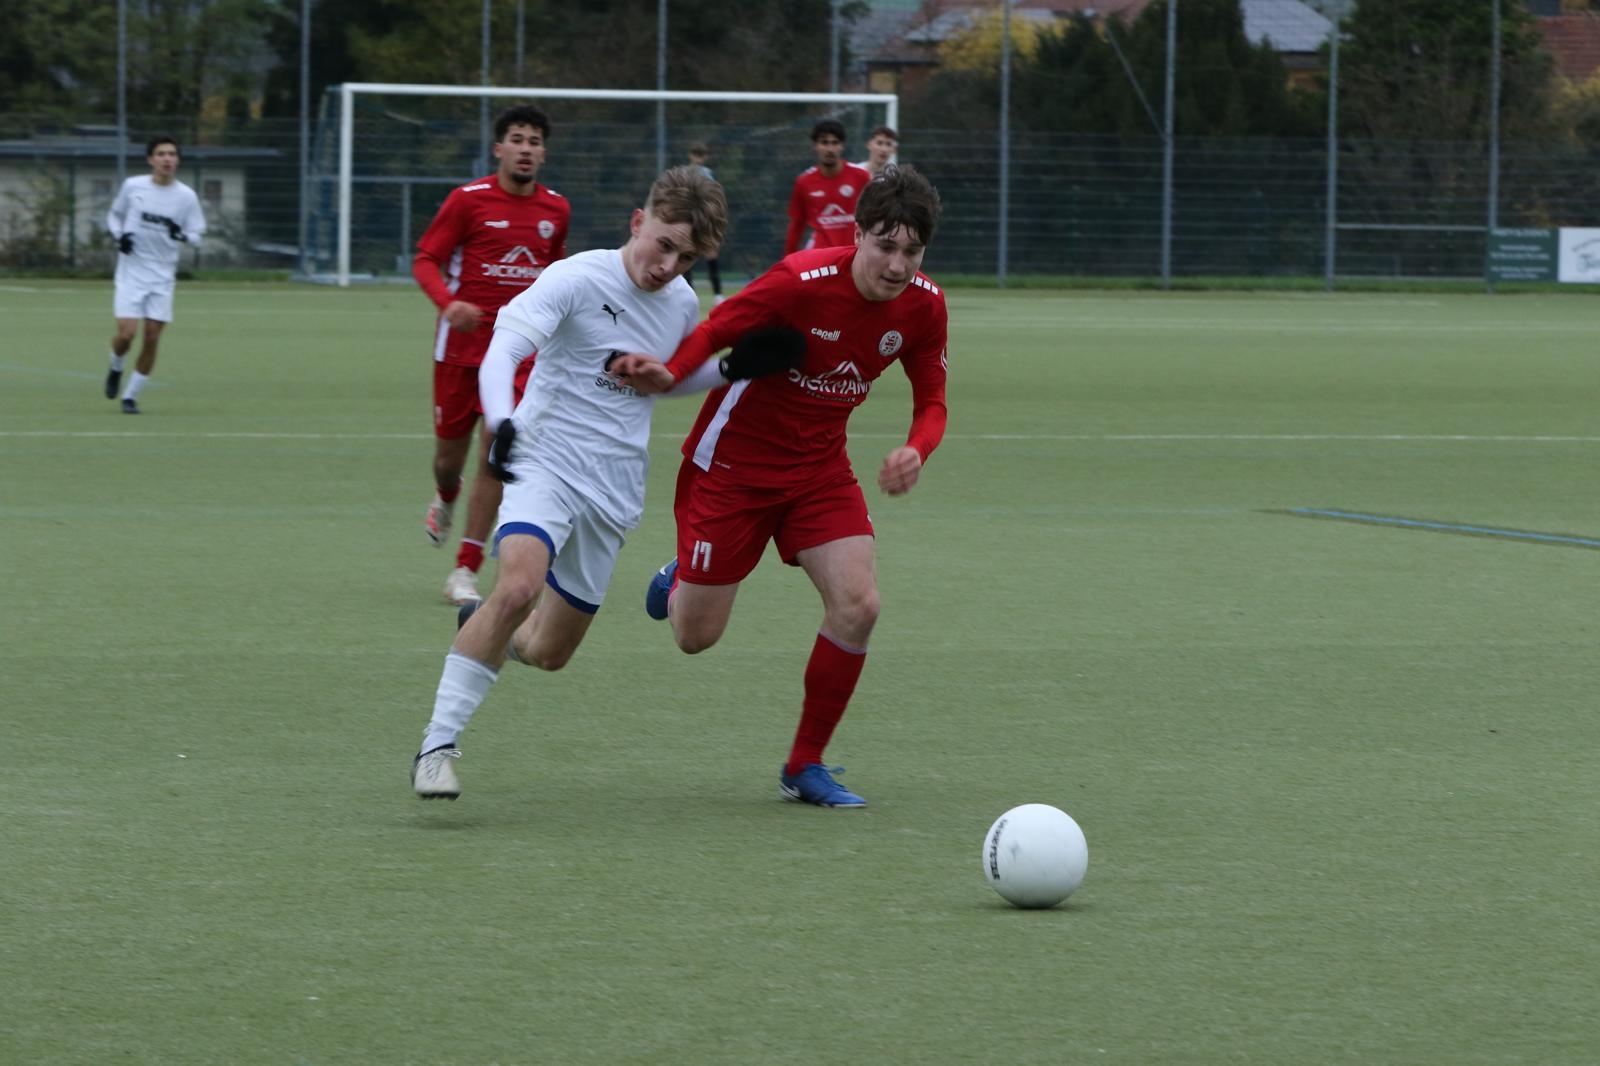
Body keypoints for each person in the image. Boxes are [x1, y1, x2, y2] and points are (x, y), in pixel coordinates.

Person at [410, 166, 800, 801]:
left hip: (613, 488)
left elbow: (666, 382)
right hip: (544, 460)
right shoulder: (575, 277)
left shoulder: (681, 303)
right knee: (518, 586)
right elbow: (504, 349)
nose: (668, 267)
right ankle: (436, 746)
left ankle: (486, 626)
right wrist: (502, 422)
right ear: (638, 222)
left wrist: (732, 368)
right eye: (663, 245)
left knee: (549, 652)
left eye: (686, 258)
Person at [613, 166, 949, 810]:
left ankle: (804, 765)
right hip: (733, 468)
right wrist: (670, 372)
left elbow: (932, 402)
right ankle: (679, 578)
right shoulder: (800, 279)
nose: (898, 265)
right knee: (694, 637)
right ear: (858, 234)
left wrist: (917, 448)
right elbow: (716, 329)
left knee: (860, 605)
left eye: (912, 251)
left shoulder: (925, 304)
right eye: (886, 246)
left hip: (820, 471)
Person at [412, 104, 571, 606]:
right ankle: (446, 494)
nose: (526, 149)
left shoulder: (556, 210)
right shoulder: (467, 201)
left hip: (520, 354)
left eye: (534, 141)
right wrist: (449, 303)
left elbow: (557, 277)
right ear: (499, 148)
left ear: (543, 154)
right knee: (448, 460)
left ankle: (465, 569)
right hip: (460, 353)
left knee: (495, 452)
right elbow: (426, 259)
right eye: (517, 139)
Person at [102, 136, 207, 415]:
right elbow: (114, 216)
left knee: (151, 337)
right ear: (151, 160)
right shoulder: (133, 186)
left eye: (172, 154)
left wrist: (182, 235)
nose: (167, 159)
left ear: (178, 160)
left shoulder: (186, 196)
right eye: (161, 154)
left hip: (162, 277)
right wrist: (119, 236)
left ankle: (130, 397)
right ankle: (116, 365)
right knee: (126, 335)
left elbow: (197, 235)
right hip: (131, 273)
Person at [783, 119, 872, 256]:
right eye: (824, 142)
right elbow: (796, 226)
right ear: (815, 146)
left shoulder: (861, 177)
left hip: (854, 254)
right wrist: (787, 261)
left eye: (835, 143)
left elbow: (875, 217)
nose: (830, 149)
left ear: (842, 146)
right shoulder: (804, 182)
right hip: (821, 256)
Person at [683, 143, 725, 304]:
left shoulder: (708, 174)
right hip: (689, 218)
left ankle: (718, 295)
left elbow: (712, 197)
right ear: (690, 155)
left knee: (711, 253)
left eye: (701, 155)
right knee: (686, 252)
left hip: (705, 218)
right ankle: (689, 292)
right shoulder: (684, 173)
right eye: (696, 155)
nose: (698, 159)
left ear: (705, 157)